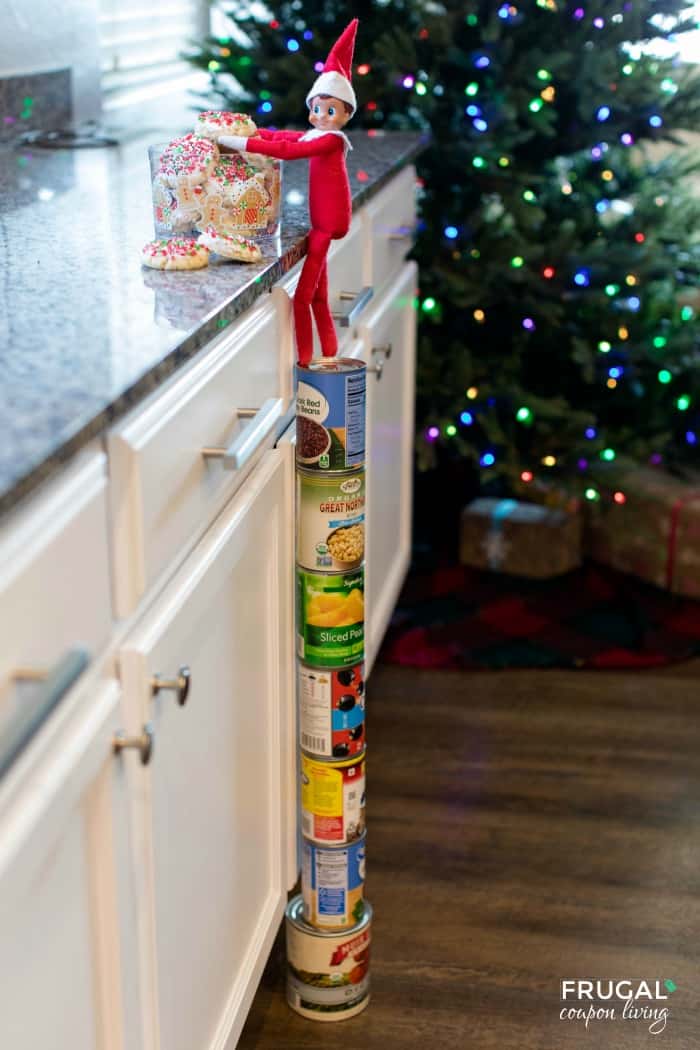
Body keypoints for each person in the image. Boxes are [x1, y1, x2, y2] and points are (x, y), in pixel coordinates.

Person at [219, 19, 358, 365]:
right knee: (319, 295)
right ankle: (329, 352)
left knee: (303, 298)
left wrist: (239, 142)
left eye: (330, 111)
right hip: (321, 225)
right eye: (317, 109)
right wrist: (253, 131)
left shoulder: (331, 140)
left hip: (327, 226)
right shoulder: (318, 134)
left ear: (345, 114)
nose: (321, 116)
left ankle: (305, 361)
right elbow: (284, 137)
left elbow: (289, 151)